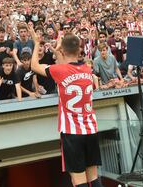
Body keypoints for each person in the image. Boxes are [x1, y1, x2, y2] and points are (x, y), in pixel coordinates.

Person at [29, 27, 103, 187]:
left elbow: (34, 65)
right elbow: (69, 65)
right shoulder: (88, 70)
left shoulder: (59, 70)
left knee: (78, 180)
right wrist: (58, 51)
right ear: (79, 49)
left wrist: (36, 43)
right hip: (90, 130)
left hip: (72, 133)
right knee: (94, 178)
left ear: (63, 49)